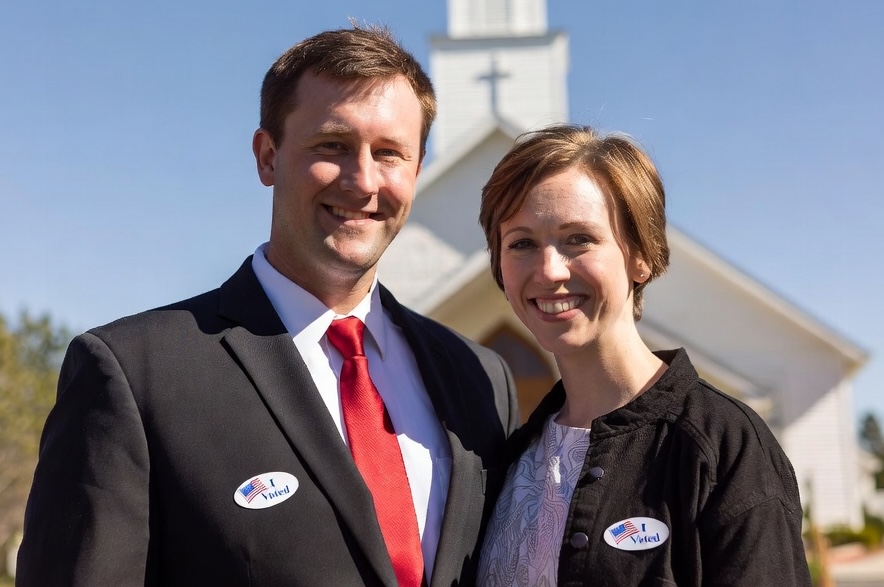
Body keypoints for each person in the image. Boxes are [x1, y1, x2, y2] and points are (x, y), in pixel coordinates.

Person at [17, 26, 518, 587]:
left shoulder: (480, 379)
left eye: (389, 154)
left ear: (417, 170)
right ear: (267, 156)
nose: (362, 181)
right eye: (331, 146)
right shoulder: (136, 374)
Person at [475, 124, 811, 586]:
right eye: (522, 243)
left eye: (579, 239)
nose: (549, 270)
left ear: (641, 255)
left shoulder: (722, 446)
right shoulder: (508, 459)